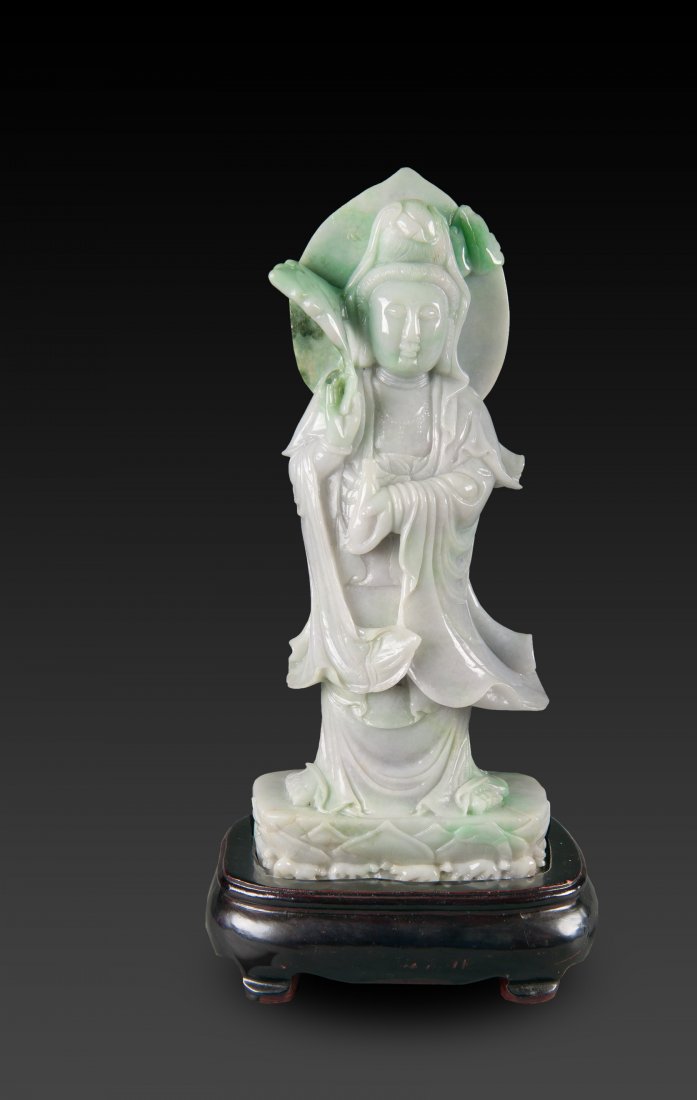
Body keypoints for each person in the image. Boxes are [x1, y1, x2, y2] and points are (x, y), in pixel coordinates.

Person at [279, 200, 548, 818]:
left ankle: (453, 783)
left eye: (429, 316)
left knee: (432, 683)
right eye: (393, 314)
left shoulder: (458, 407)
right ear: (364, 320)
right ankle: (336, 783)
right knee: (358, 694)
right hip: (357, 582)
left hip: (425, 580)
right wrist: (338, 447)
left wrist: (405, 501)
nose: (410, 333)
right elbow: (305, 468)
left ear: (452, 324)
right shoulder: (342, 396)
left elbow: (476, 480)